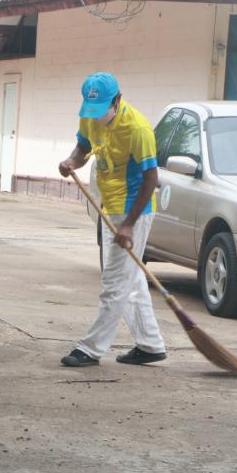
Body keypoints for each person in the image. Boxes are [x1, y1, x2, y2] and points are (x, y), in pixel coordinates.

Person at [58, 72, 167, 367]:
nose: (97, 116)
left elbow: (151, 179)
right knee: (129, 279)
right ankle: (150, 344)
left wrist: (129, 224)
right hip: (109, 206)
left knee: (114, 282)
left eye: (103, 108)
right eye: (92, 110)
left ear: (117, 100)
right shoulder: (90, 116)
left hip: (135, 210)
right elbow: (83, 148)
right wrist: (72, 161)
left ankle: (91, 349)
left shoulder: (137, 128)